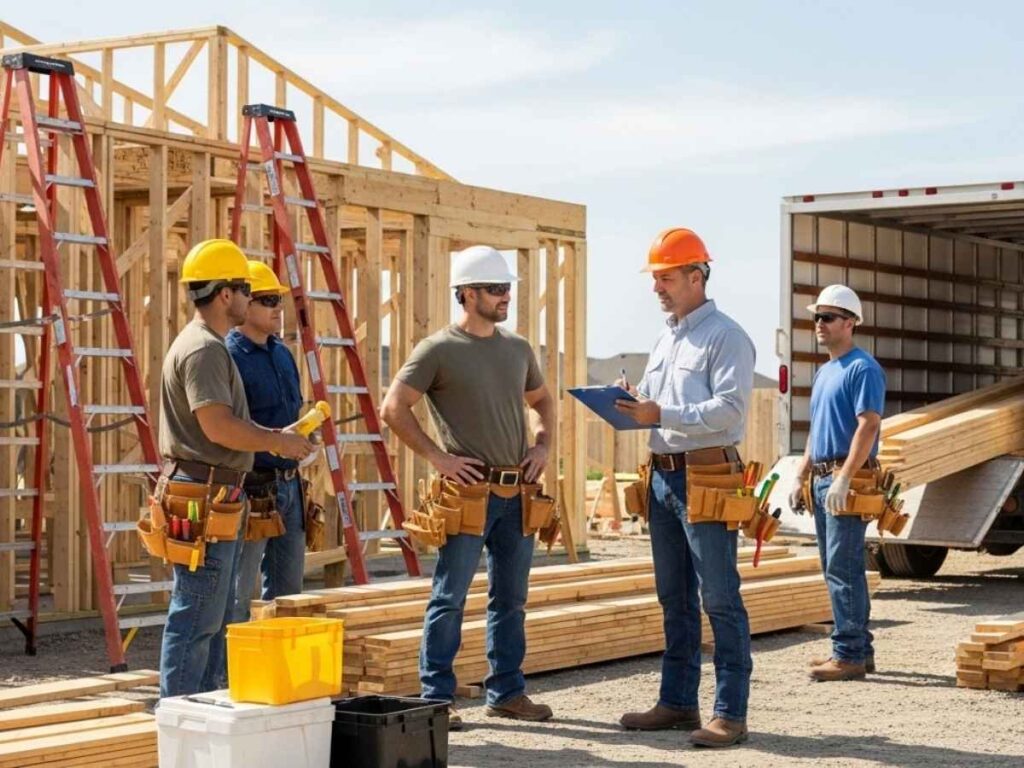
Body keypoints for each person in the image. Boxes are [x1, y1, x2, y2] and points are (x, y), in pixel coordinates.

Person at [380, 245, 556, 731]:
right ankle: (436, 696)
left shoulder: (517, 348)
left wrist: (543, 446)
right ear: (467, 293)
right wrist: (438, 457)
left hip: (516, 493)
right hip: (469, 495)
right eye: (497, 290)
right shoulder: (437, 350)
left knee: (510, 599)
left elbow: (543, 400)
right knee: (449, 597)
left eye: (508, 290)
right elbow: (393, 408)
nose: (506, 298)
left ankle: (507, 693)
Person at [615, 227, 755, 748]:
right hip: (663, 477)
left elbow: (731, 410)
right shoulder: (667, 338)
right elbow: (654, 404)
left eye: (667, 278)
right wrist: (631, 402)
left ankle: (730, 713)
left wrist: (662, 412)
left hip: (707, 476)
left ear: (697, 276)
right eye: (655, 279)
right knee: (673, 596)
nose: (658, 289)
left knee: (719, 597)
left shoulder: (727, 337)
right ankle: (677, 702)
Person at [158, 239, 313, 698]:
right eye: (247, 290)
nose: (251, 298)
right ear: (225, 294)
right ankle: (184, 711)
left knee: (209, 610)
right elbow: (219, 426)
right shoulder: (205, 350)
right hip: (204, 492)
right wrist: (278, 442)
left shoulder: (208, 346)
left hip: (215, 492)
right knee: (199, 613)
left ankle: (200, 705)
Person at [787, 284, 885, 682]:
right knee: (834, 567)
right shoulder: (826, 372)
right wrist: (800, 475)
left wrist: (845, 477)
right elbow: (817, 430)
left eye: (828, 317)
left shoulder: (863, 368)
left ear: (850, 323)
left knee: (843, 569)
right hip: (825, 479)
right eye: (817, 317)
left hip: (848, 479)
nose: (819, 324)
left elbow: (869, 423)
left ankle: (848, 655)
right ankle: (858, 649)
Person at [227, 261, 309, 623]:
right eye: (268, 299)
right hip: (252, 489)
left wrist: (305, 440)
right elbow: (229, 428)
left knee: (289, 597)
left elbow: (291, 412)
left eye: (279, 299)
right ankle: (230, 676)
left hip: (290, 487)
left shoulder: (281, 353)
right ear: (245, 305)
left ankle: (278, 676)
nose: (279, 308)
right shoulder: (229, 358)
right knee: (239, 596)